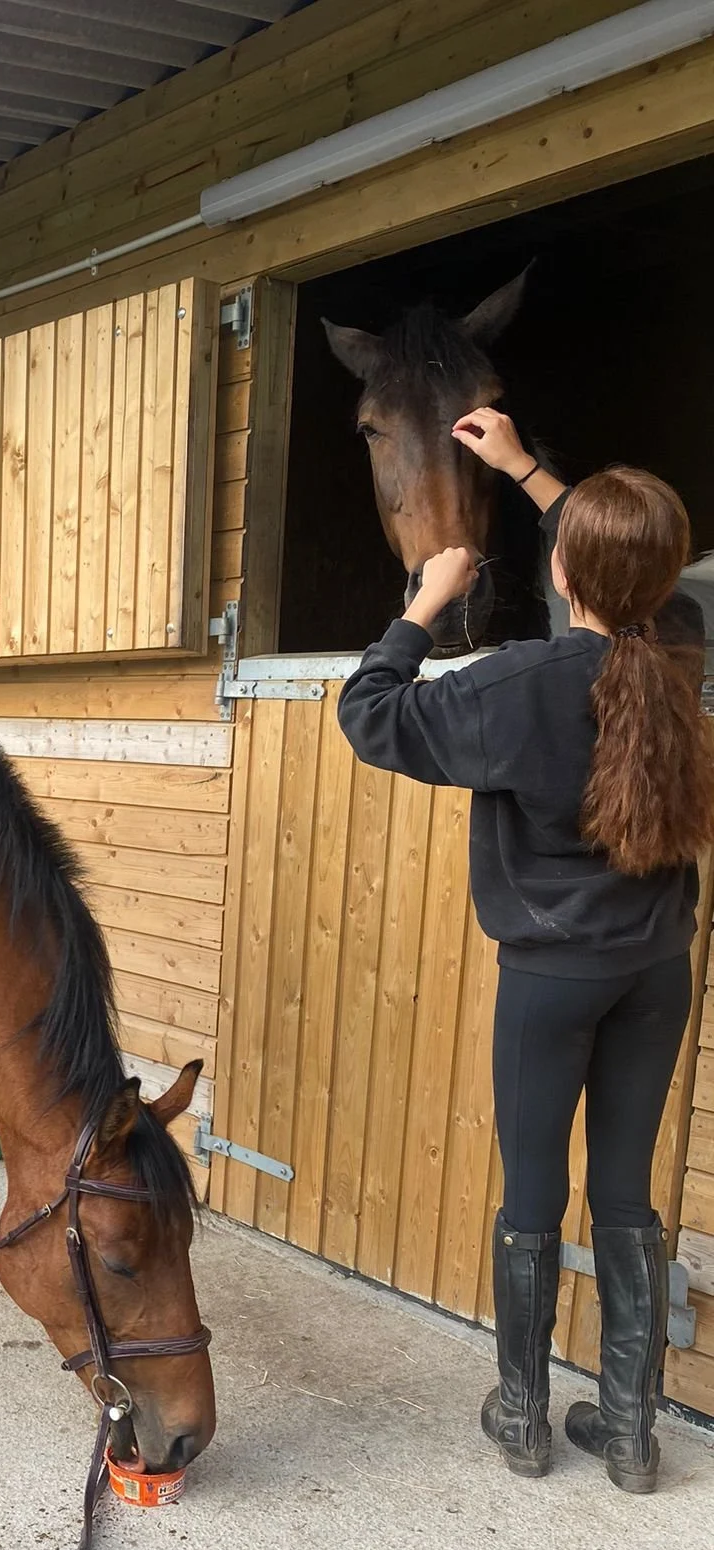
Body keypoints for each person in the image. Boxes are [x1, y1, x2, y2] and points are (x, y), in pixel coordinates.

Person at [338, 413, 714, 1495]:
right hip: (653, 973)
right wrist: (524, 469)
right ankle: (633, 1435)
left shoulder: (518, 685)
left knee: (535, 1197)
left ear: (558, 571)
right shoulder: (680, 643)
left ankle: (524, 1411)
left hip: (551, 981)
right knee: (628, 1194)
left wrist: (424, 602)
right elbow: (622, 571)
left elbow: (370, 716)